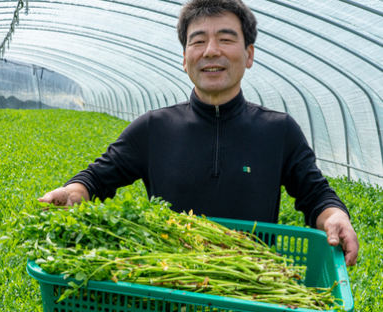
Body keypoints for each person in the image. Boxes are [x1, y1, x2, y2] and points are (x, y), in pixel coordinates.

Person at [38, 0, 359, 266]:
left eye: (226, 38)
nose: (210, 51)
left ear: (249, 54)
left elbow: (316, 195)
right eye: (198, 40)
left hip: (250, 290)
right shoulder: (154, 127)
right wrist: (75, 191)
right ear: (184, 58)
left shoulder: (278, 130)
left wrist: (335, 216)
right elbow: (99, 176)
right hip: (170, 286)